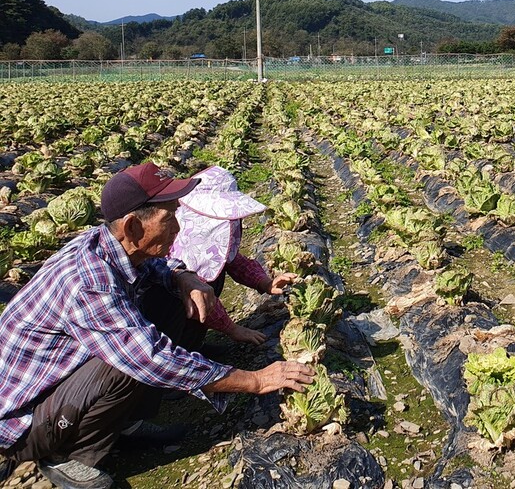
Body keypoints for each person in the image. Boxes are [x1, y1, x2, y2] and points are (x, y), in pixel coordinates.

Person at [0, 163, 314, 489]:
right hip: (24, 421)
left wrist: (184, 276)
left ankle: (125, 423)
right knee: (128, 362)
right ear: (134, 227)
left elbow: (159, 266)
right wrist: (257, 380)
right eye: (169, 218)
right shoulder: (89, 281)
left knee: (165, 304)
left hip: (62, 386)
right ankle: (66, 455)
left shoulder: (114, 245)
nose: (178, 227)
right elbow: (151, 358)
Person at [169, 165, 297, 349]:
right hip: (160, 328)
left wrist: (264, 282)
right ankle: (182, 351)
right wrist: (232, 329)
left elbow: (231, 260)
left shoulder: (203, 240)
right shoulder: (183, 243)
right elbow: (199, 293)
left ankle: (191, 345)